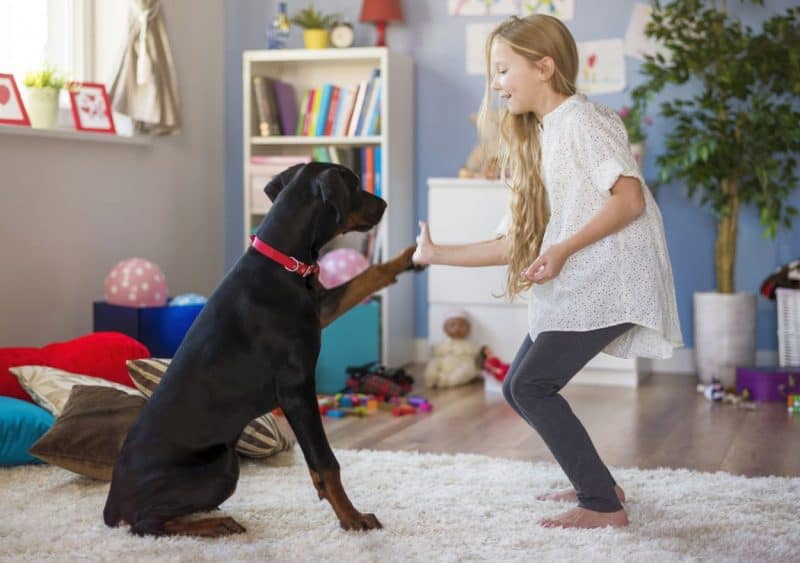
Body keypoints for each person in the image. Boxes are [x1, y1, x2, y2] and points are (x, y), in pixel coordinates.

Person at [412, 14, 682, 529]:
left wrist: (561, 250)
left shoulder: (584, 120)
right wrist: (436, 253)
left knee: (532, 385)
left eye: (502, 70)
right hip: (585, 279)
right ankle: (601, 486)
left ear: (544, 67)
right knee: (519, 385)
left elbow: (628, 202)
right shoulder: (541, 137)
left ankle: (603, 507)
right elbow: (512, 243)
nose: (494, 84)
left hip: (614, 280)